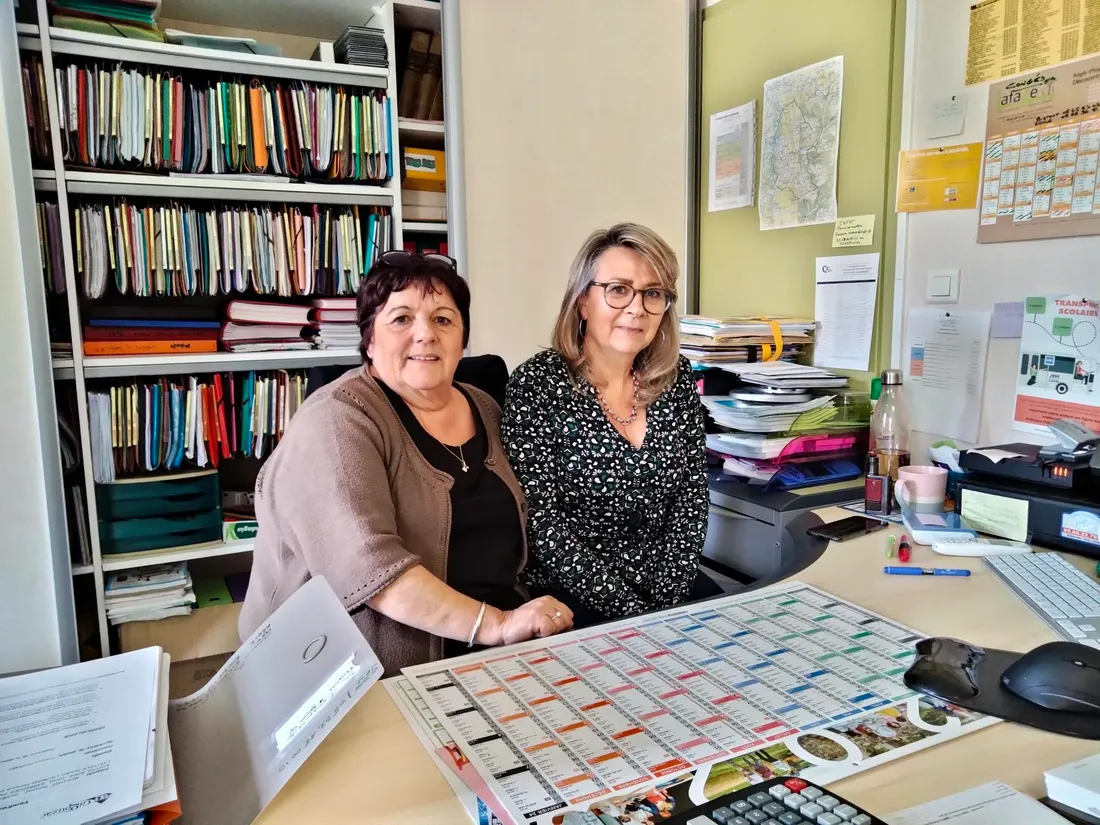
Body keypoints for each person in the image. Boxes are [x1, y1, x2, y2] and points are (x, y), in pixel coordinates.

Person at [239, 251, 573, 675]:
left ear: (463, 337)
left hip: (496, 652)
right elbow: (369, 572)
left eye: (443, 319)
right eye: (401, 319)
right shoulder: (336, 421)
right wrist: (498, 625)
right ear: (369, 339)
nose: (425, 334)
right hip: (359, 674)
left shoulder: (486, 406)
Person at [502, 223, 719, 628]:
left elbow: (691, 497)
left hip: (666, 586)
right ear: (583, 301)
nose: (637, 308)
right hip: (572, 593)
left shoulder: (675, 378)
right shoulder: (537, 384)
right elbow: (540, 521)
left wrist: (669, 599)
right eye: (618, 290)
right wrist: (634, 614)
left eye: (653, 293)